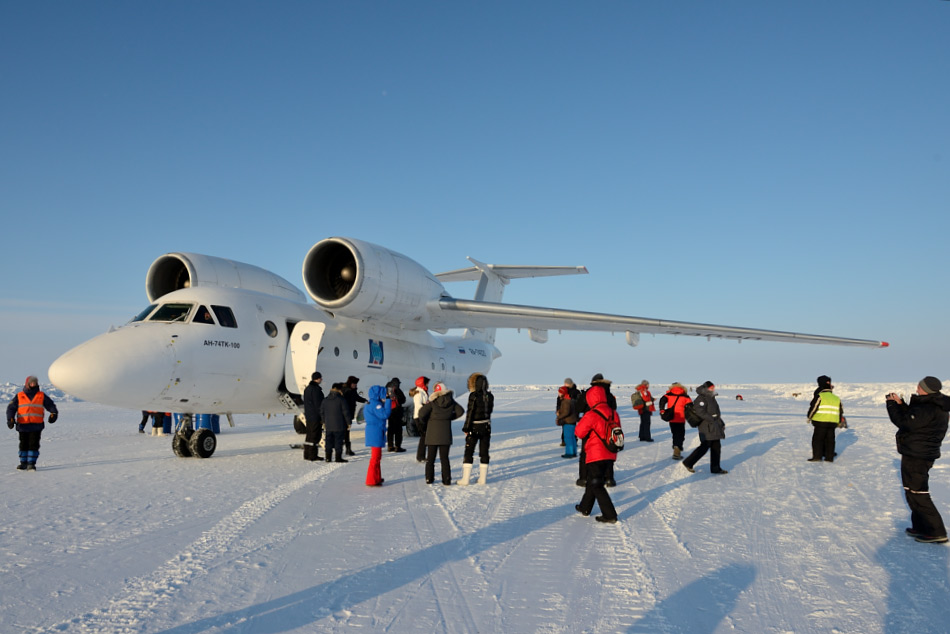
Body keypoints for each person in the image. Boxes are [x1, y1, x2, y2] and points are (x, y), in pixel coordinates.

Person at [886, 377, 950, 544]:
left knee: (918, 492)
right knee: (911, 490)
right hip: (916, 453)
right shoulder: (930, 404)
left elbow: (904, 422)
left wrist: (892, 405)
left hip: (918, 455)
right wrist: (901, 404)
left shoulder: (929, 407)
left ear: (925, 389)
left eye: (919, 386)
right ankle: (921, 527)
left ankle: (936, 531)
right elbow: (913, 418)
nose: (917, 388)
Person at [574, 384, 619, 523]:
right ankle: (585, 507)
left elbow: (579, 432)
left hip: (596, 454)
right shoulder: (613, 413)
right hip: (610, 452)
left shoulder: (591, 414)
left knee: (597, 484)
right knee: (592, 481)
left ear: (591, 398)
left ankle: (610, 514)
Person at [7, 375, 58, 471]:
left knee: (33, 444)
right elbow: (11, 408)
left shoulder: (41, 395)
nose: (33, 384)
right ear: (27, 384)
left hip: (36, 425)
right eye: (31, 382)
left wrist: (53, 413)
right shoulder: (19, 396)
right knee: (23, 444)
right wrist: (10, 419)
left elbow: (50, 405)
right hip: (23, 425)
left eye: (34, 382)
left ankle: (31, 463)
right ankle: (23, 463)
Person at [417, 382, 464, 485]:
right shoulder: (451, 402)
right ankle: (446, 480)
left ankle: (429, 478)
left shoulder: (433, 403)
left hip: (432, 435)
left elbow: (421, 413)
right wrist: (450, 417)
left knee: (430, 459)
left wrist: (427, 420)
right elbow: (461, 411)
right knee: (444, 459)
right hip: (445, 435)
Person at [576, 374, 618, 487]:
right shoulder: (609, 394)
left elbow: (578, 408)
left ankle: (584, 478)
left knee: (586, 451)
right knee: (608, 450)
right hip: (608, 426)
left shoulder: (588, 393)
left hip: (590, 426)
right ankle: (609, 478)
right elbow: (614, 408)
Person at [682, 380, 728, 475]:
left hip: (714, 426)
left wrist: (721, 423)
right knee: (704, 446)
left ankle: (715, 468)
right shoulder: (701, 398)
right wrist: (712, 418)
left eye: (713, 387)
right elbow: (700, 412)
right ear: (706, 388)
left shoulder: (711, 397)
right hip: (706, 427)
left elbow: (716, 414)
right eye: (711, 388)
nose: (713, 389)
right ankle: (688, 462)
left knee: (716, 447)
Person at [460, 373, 494, 485]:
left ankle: (465, 479)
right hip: (486, 426)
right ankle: (482, 479)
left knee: (469, 451)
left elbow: (470, 413)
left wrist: (466, 428)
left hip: (474, 426)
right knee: (484, 452)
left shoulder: (473, 396)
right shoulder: (490, 396)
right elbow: (489, 411)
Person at [807, 375, 844, 462]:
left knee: (818, 439)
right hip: (832, 422)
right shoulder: (836, 398)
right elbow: (840, 410)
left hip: (820, 421)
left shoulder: (820, 395)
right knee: (830, 440)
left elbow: (814, 407)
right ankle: (829, 457)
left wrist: (809, 417)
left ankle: (817, 456)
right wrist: (838, 421)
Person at [363, 384, 390, 486]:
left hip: (373, 430)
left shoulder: (370, 403)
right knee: (375, 457)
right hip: (376, 431)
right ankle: (371, 480)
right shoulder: (376, 405)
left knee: (377, 457)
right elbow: (384, 414)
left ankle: (376, 477)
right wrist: (388, 401)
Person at [658, 382, 691, 460]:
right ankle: (677, 450)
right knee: (680, 435)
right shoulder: (685, 396)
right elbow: (690, 407)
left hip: (672, 417)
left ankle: (676, 447)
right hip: (681, 418)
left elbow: (662, 400)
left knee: (675, 434)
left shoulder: (669, 394)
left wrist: (662, 410)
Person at [321, 383, 352, 463]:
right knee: (338, 441)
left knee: (328, 441)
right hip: (339, 425)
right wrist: (349, 423)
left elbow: (322, 412)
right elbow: (346, 412)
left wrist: (324, 421)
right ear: (339, 390)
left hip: (328, 425)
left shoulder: (325, 400)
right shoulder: (341, 400)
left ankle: (328, 457)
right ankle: (338, 458)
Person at [341, 376, 367, 456]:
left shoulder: (352, 390)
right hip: (344, 415)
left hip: (349, 414)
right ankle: (346, 449)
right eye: (354, 384)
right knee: (345, 432)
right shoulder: (346, 391)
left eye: (356, 384)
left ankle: (346, 449)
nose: (355, 385)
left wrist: (365, 400)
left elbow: (357, 397)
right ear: (350, 383)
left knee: (346, 432)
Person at [302, 372, 325, 461]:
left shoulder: (307, 389)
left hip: (309, 416)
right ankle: (313, 455)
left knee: (309, 435)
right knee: (315, 436)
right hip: (315, 417)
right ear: (317, 379)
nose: (321, 379)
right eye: (320, 378)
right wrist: (322, 417)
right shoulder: (316, 390)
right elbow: (319, 405)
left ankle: (306, 454)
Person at [410, 376, 430, 462]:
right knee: (424, 436)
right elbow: (419, 406)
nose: (428, 384)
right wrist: (428, 408)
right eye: (427, 382)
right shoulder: (419, 393)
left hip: (423, 416)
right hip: (419, 417)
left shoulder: (423, 392)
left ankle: (421, 455)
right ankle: (420, 456)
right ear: (423, 383)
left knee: (425, 436)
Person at [556, 384, 579, 458]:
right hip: (572, 421)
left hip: (568, 421)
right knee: (572, 437)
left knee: (568, 438)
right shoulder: (569, 400)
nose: (558, 394)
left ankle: (569, 453)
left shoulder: (566, 401)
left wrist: (559, 416)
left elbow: (566, 412)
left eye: (559, 392)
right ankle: (573, 452)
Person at [386, 377, 407, 453]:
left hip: (389, 411)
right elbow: (403, 399)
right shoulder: (397, 390)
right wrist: (397, 398)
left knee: (390, 429)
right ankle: (397, 446)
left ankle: (390, 446)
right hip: (397, 411)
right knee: (398, 430)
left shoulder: (386, 389)